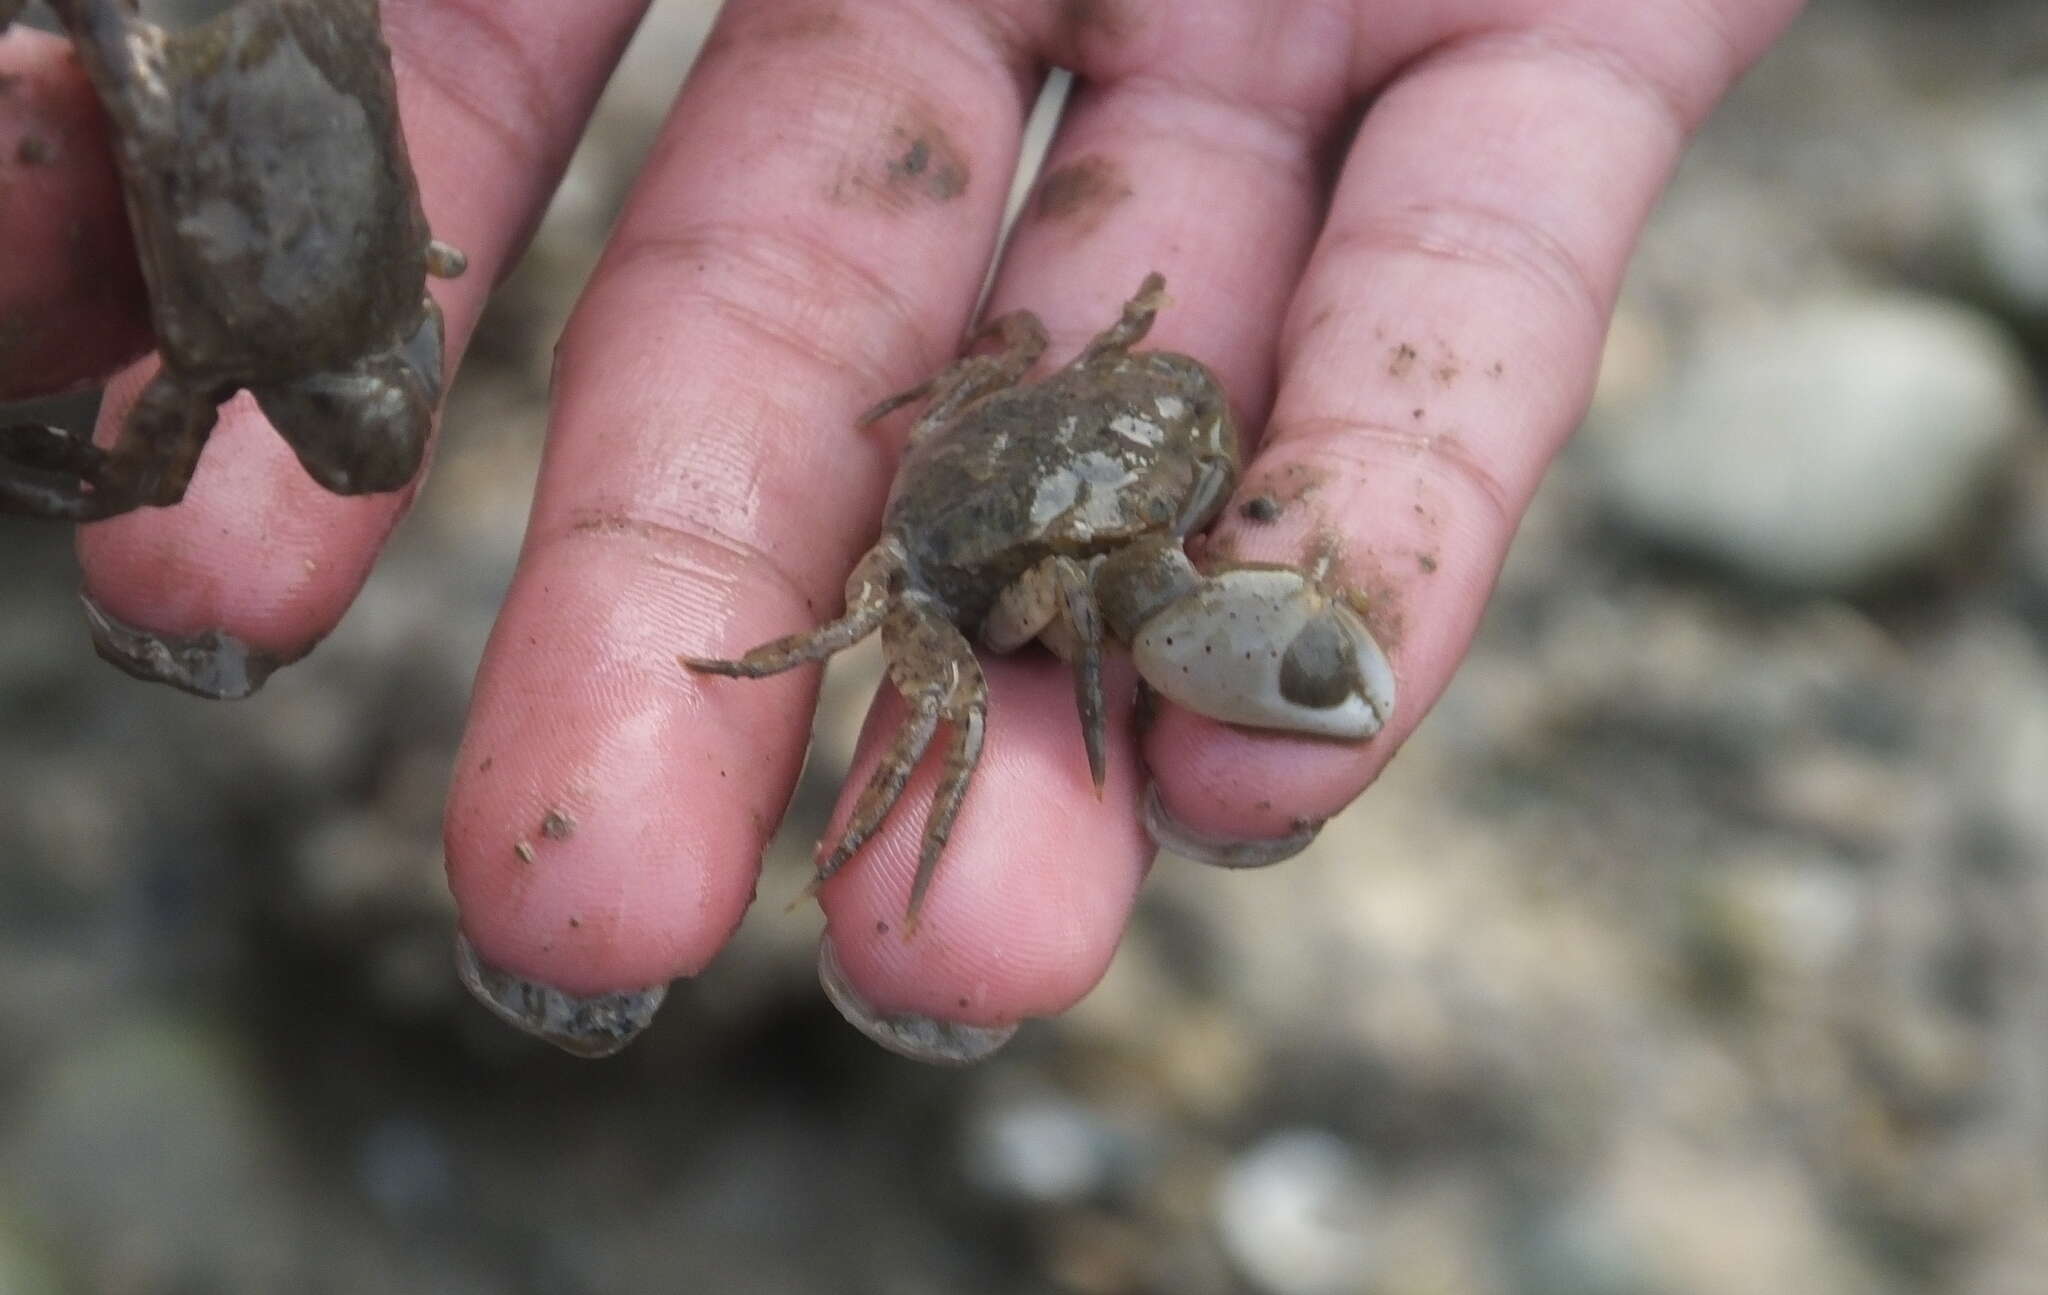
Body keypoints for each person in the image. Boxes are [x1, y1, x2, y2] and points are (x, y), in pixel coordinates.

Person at [0, 0, 1807, 1059]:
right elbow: (910, 616)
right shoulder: (956, 575)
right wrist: (1042, 610)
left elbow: (1115, 380)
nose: (1118, 570)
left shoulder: (1129, 384)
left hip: (1055, 421)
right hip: (951, 538)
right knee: (935, 728)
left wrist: (1138, 444)